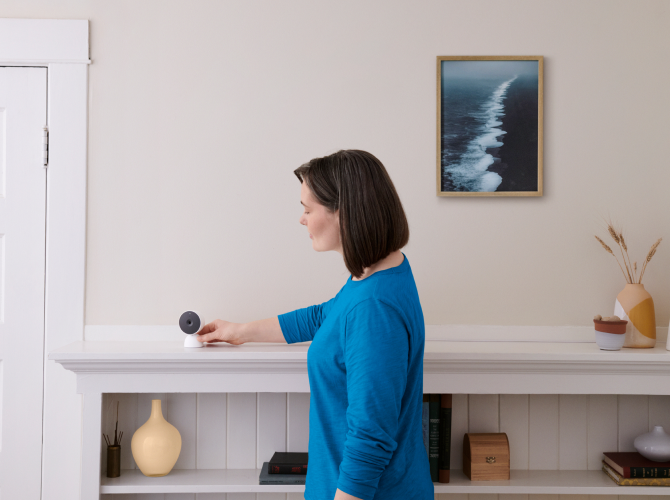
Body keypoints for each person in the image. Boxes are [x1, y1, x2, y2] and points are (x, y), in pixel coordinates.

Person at [196, 149, 434, 500]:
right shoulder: (379, 275)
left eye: (308, 209)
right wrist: (239, 332)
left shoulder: (374, 308)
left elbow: (371, 436)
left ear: (345, 213)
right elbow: (326, 316)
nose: (302, 220)